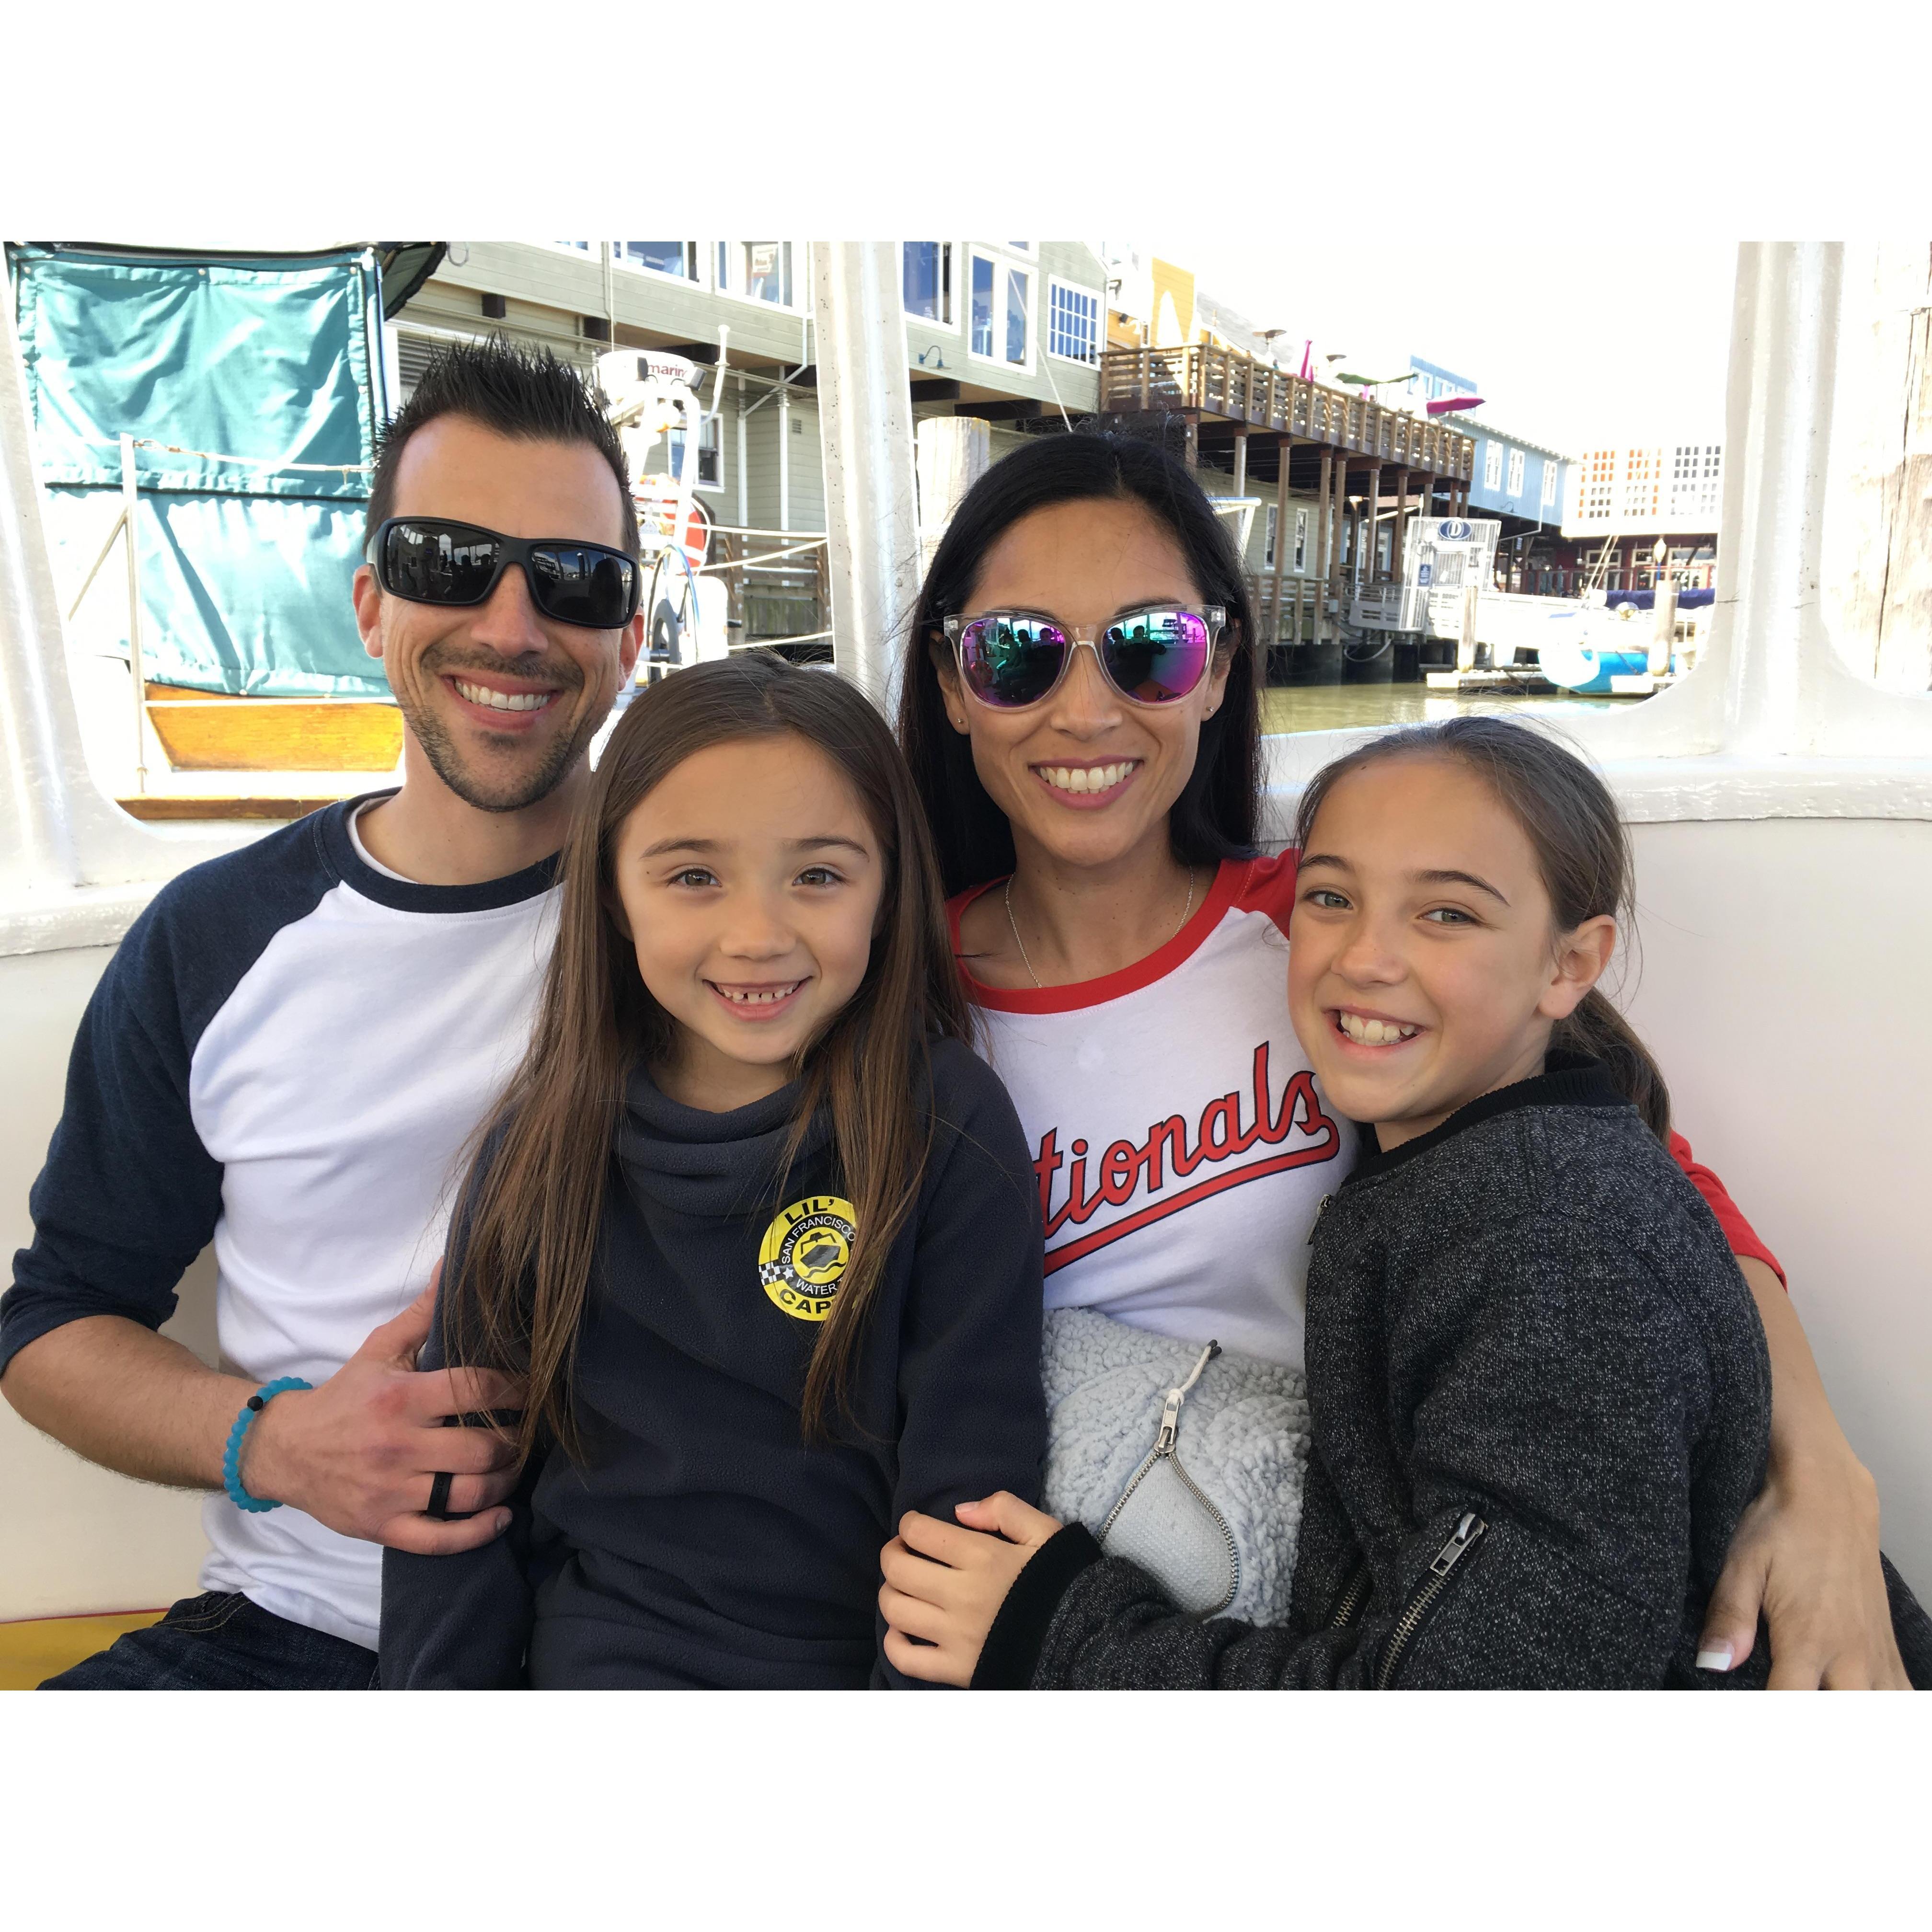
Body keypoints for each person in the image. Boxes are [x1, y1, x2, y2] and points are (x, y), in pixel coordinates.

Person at [890, 429, 1908, 1687]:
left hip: (1361, 1588)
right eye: (1018, 653)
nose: (1087, 709)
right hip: (1069, 1592)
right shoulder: (893, 1002)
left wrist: (1821, 1480)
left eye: (1152, 647)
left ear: (1219, 672)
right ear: (953, 683)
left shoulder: (1329, 934)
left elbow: (1652, 1192)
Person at [1, 339, 647, 1688]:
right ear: (370, 602)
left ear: (629, 636)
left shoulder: (720, 923)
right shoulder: (214, 941)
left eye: (575, 580)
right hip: (294, 1641)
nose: (513, 627)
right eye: (448, 562)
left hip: (647, 1648)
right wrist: (280, 1443)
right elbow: (54, 1326)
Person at [378, 654, 1045, 1688]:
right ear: (613, 894)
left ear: (887, 891)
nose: (757, 937)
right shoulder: (538, 1149)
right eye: (693, 876)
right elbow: (457, 1494)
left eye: (818, 875)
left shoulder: (946, 1127)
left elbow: (964, 1512)